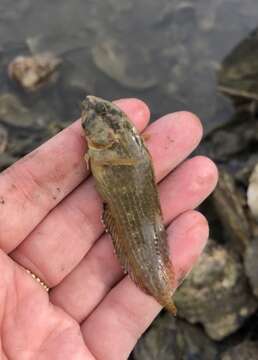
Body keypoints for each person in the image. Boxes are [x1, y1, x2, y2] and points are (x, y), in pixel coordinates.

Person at [0, 98, 218, 359]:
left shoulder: (109, 147)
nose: (89, 109)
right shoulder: (110, 146)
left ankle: (162, 294)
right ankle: (162, 295)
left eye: (98, 114)